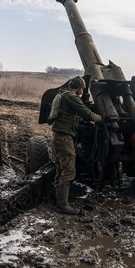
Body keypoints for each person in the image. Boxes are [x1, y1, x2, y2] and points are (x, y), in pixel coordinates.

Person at [48, 76, 102, 214]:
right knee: (69, 169)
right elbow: (87, 114)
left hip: (58, 137)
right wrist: (100, 118)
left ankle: (57, 199)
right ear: (78, 88)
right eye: (82, 89)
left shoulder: (61, 95)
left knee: (61, 168)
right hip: (64, 138)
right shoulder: (71, 97)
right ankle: (62, 205)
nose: (82, 91)